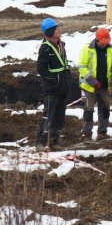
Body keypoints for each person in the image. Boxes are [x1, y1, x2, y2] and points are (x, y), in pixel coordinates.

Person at [35, 17, 74, 148]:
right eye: (56, 29)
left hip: (63, 87)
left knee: (59, 117)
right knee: (48, 115)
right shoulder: (45, 48)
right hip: (52, 89)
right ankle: (40, 141)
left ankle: (54, 141)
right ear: (50, 32)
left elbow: (65, 65)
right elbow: (41, 69)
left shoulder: (61, 45)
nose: (59, 30)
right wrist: (54, 79)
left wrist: (68, 81)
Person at [78, 26, 112, 141]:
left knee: (105, 109)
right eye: (103, 43)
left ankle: (102, 132)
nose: (104, 45)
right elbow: (82, 67)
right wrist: (93, 81)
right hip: (89, 87)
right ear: (97, 40)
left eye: (106, 43)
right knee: (88, 110)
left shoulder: (110, 49)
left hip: (104, 86)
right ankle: (87, 134)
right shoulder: (87, 49)